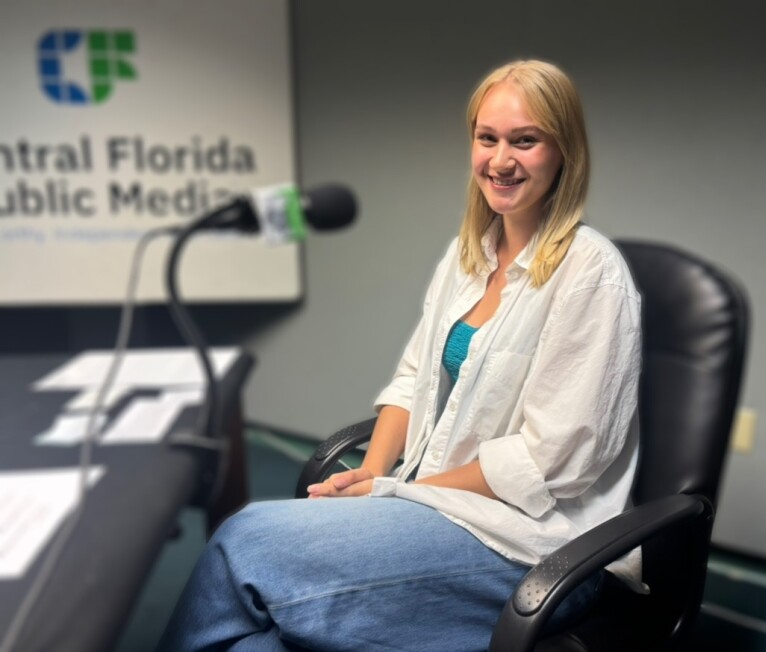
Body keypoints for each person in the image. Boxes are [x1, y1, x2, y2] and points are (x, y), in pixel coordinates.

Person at [159, 59, 643, 652]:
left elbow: (548, 463)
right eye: (486, 138)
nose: (501, 160)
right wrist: (374, 470)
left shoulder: (592, 274)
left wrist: (403, 494)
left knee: (245, 538)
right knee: (255, 647)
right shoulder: (468, 256)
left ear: (563, 149)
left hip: (537, 548)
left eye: (526, 140)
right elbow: (412, 380)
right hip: (438, 508)